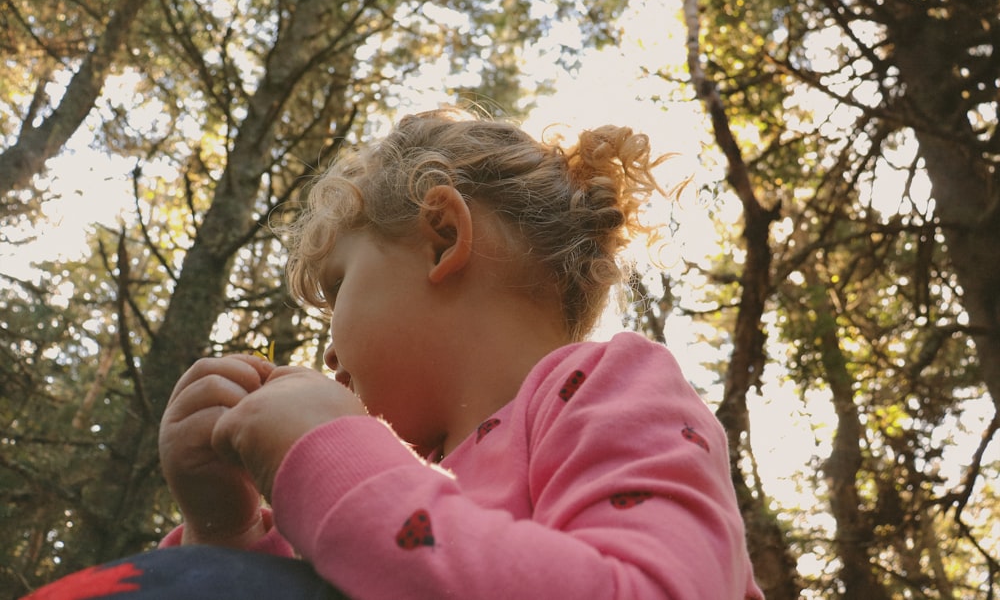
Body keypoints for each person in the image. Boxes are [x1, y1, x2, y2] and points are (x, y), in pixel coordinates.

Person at [156, 107, 765, 599]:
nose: (329, 345)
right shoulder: (403, 467)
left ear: (442, 237)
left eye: (339, 286)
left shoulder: (611, 389)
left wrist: (328, 455)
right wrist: (225, 532)